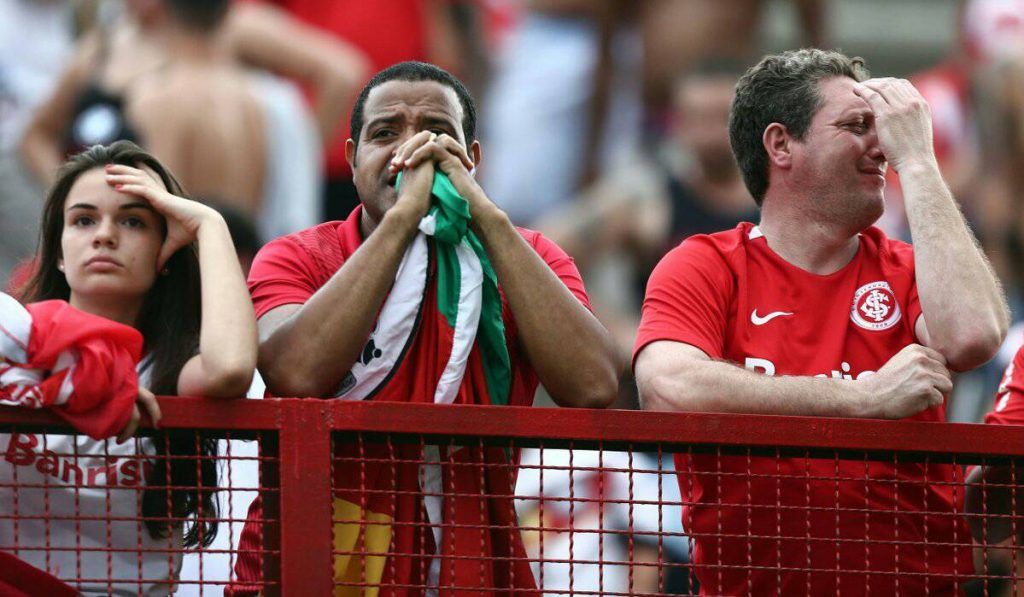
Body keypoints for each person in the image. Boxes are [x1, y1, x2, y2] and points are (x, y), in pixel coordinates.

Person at [228, 61, 620, 594]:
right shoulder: (296, 255)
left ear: (473, 159)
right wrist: (402, 219)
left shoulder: (530, 256)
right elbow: (295, 371)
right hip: (319, 558)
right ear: (351, 158)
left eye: (437, 134)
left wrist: (489, 220)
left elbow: (593, 384)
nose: (409, 152)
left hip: (471, 560)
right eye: (385, 134)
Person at [633, 49, 1009, 594]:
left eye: (882, 129)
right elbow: (667, 386)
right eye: (857, 127)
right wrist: (863, 401)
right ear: (781, 145)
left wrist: (921, 164)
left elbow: (973, 336)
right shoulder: (707, 264)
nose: (881, 145)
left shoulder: (908, 269)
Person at [0, 140, 257, 594]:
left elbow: (231, 369)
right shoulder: (13, 341)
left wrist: (207, 224)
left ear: (167, 251)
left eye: (133, 221)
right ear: (59, 252)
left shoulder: (169, 369)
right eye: (83, 220)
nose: (104, 235)